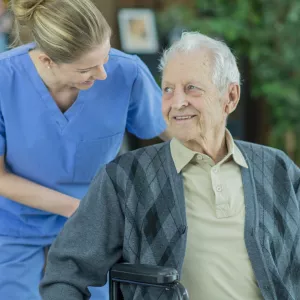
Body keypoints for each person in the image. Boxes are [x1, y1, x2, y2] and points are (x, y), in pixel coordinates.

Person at [40, 32, 300, 300]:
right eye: (168, 89)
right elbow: (65, 273)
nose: (177, 102)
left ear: (230, 97)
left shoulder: (277, 168)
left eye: (192, 88)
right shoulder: (125, 178)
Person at [0, 0, 169, 299]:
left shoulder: (126, 72)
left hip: (95, 230)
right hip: (14, 226)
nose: (103, 74)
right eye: (87, 68)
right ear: (47, 60)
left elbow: (172, 132)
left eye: (105, 57)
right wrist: (82, 210)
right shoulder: (5, 79)